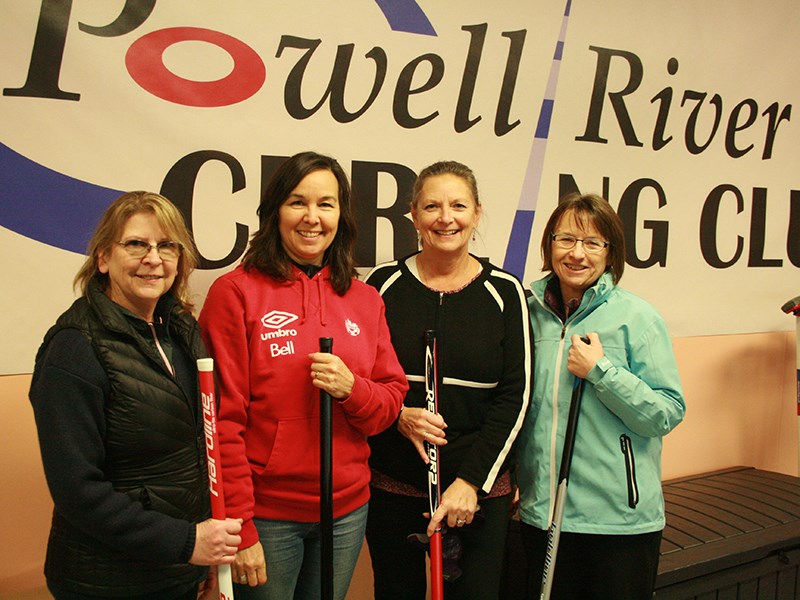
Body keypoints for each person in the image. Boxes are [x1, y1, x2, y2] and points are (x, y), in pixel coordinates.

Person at [198, 151, 408, 600]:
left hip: (348, 511)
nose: (312, 218)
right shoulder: (235, 293)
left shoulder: (365, 298)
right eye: (297, 202)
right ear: (275, 210)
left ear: (341, 215)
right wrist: (240, 525)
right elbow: (219, 422)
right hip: (267, 516)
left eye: (326, 204)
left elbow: (388, 404)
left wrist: (353, 390)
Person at [29, 191, 243, 600]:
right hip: (107, 581)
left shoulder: (182, 331)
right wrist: (187, 541)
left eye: (167, 246)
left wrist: (206, 551)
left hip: (176, 571)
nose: (153, 258)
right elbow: (78, 490)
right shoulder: (75, 348)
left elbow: (200, 455)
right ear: (103, 258)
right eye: (136, 244)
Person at [363, 160, 533, 599]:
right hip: (394, 485)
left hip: (476, 494)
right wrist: (398, 414)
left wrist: (470, 483)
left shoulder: (506, 291)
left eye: (458, 205)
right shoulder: (381, 284)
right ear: (413, 215)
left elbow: (516, 397)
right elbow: (362, 380)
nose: (446, 217)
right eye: (432, 206)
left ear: (476, 213)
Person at [516, 192, 686, 599]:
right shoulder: (527, 309)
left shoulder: (637, 317)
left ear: (611, 254)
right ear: (549, 245)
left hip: (617, 523)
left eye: (593, 243)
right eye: (566, 240)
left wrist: (601, 372)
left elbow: (667, 411)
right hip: (541, 516)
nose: (577, 254)